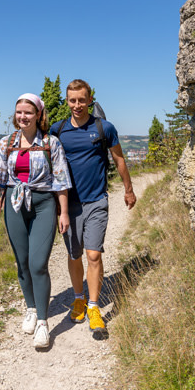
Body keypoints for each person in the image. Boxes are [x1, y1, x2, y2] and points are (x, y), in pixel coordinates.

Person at [51, 79, 136, 339]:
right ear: (67, 101)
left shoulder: (104, 127)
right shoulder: (58, 129)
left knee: (94, 254)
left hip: (97, 200)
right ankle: (78, 299)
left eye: (81, 100)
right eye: (72, 100)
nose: (77, 105)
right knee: (74, 254)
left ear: (90, 100)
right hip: (69, 204)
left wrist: (128, 189)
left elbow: (118, 158)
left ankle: (94, 306)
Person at [0, 93, 71, 349]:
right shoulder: (6, 143)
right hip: (14, 203)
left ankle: (44, 323)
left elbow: (61, 180)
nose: (23, 117)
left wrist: (63, 212)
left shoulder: (50, 143)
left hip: (43, 203)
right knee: (22, 262)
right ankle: (31, 308)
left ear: (38, 115)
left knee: (38, 264)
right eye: (19, 112)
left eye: (28, 112)